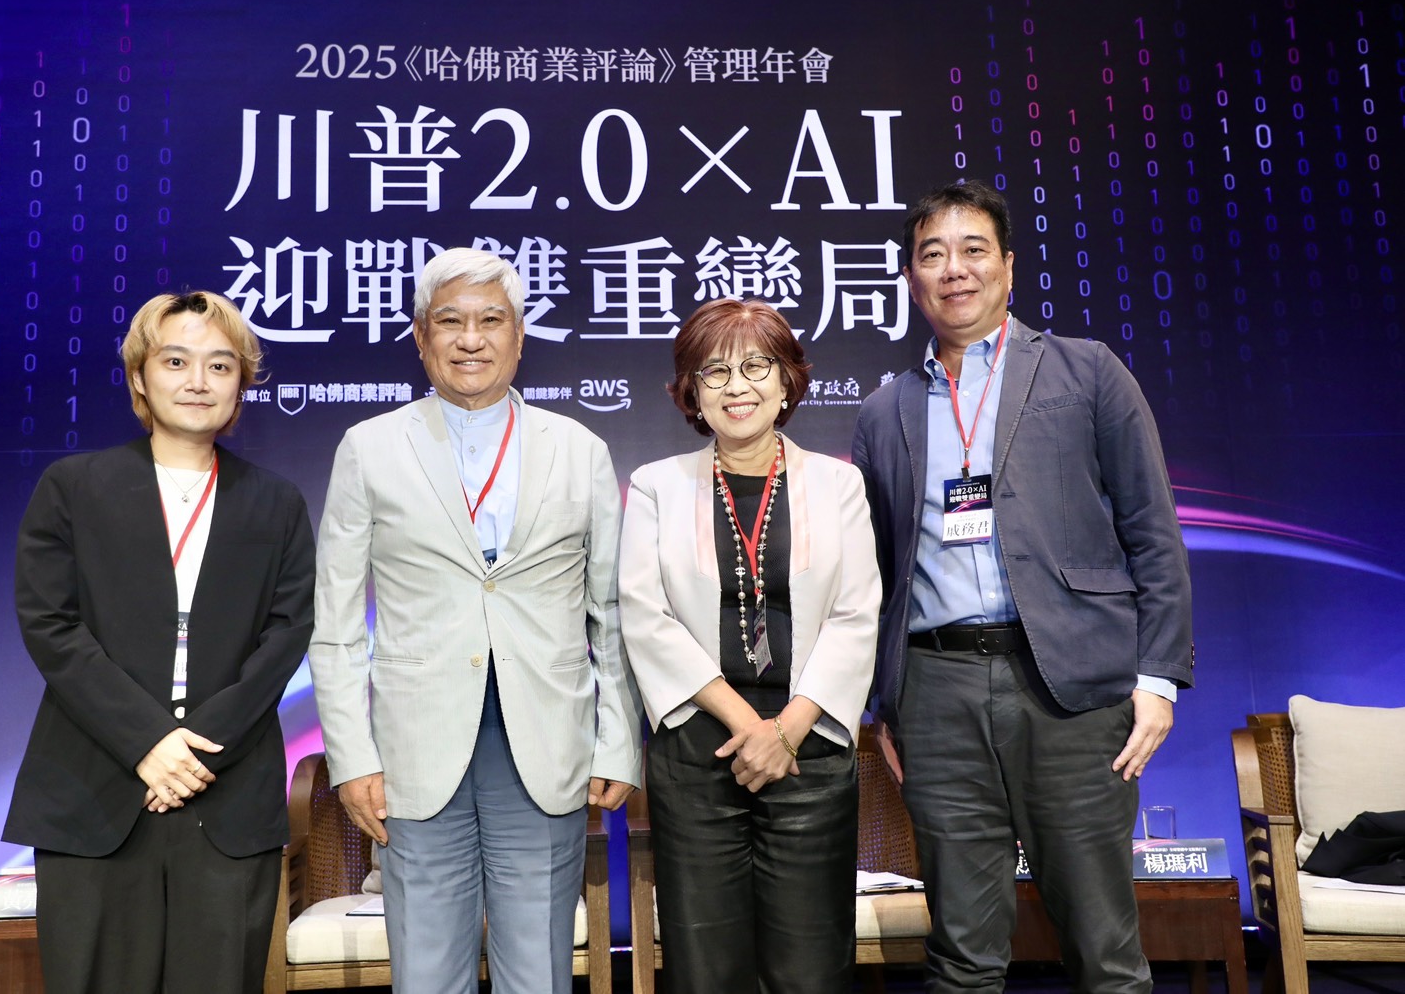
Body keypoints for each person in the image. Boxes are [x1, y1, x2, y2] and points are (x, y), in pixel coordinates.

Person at [851, 180, 1194, 994]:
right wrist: (884, 703)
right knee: (962, 954)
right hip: (936, 695)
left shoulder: (1087, 370)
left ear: (1007, 265)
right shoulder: (884, 411)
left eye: (973, 250)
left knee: (1105, 951)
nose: (954, 270)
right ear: (911, 278)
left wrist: (1157, 679)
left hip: (1072, 691)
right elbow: (875, 575)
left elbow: (1152, 530)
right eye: (932, 255)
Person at [308, 247, 643, 994]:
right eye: (450, 322)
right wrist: (352, 756)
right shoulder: (369, 447)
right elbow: (336, 624)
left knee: (539, 971)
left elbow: (611, 616)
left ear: (519, 336)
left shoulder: (579, 449)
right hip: (414, 750)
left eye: (491, 321)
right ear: (420, 337)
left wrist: (620, 742)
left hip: (546, 744)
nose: (470, 339)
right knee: (427, 972)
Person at [4, 290, 315, 994]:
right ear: (140, 377)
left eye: (220, 365)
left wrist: (195, 751)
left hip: (225, 793)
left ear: (241, 384)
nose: (198, 381)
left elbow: (288, 633)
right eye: (176, 361)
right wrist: (148, 740)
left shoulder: (276, 502)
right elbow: (50, 623)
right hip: (95, 788)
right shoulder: (74, 486)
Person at [619, 297, 882, 993]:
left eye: (756, 367)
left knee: (811, 969)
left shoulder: (838, 483)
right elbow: (646, 616)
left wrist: (785, 731)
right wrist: (749, 726)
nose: (737, 387)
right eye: (715, 372)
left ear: (788, 379)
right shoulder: (655, 486)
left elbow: (857, 615)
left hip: (808, 747)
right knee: (706, 969)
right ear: (692, 392)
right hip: (698, 746)